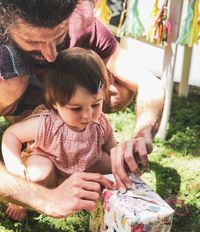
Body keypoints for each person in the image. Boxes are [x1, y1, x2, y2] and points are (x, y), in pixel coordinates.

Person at [0, 0, 165, 212]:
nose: (51, 56)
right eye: (33, 42)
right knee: (11, 83)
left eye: (58, 36)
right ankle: (27, 131)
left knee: (118, 89)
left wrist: (143, 134)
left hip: (66, 103)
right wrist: (45, 200)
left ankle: (69, 136)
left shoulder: (83, 24)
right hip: (30, 114)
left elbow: (149, 83)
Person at [2, 47, 117, 220]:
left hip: (83, 166)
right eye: (76, 108)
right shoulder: (48, 123)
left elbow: (111, 146)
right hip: (51, 165)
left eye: (96, 104)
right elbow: (11, 135)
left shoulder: (100, 122)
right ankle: (20, 201)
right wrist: (15, 166)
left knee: (110, 164)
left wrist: (119, 161)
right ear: (55, 103)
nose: (88, 115)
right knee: (39, 172)